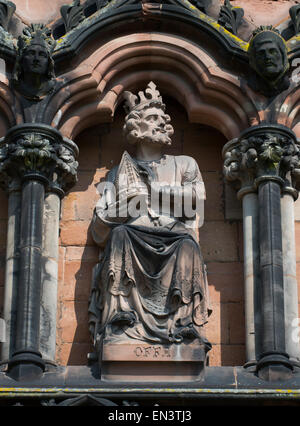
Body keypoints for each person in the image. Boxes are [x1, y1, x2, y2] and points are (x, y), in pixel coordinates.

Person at [89, 82, 211, 354]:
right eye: (153, 118)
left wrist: (151, 193)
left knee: (187, 245)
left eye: (162, 119)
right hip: (132, 238)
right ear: (136, 126)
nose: (162, 123)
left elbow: (195, 201)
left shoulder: (184, 164)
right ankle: (121, 315)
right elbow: (98, 231)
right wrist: (120, 210)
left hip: (174, 237)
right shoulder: (118, 173)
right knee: (119, 235)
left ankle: (183, 321)